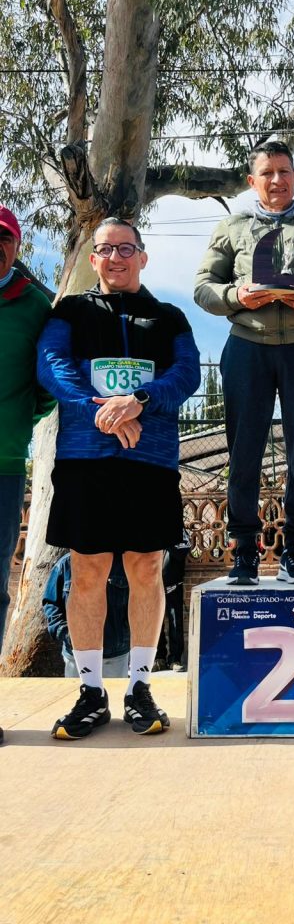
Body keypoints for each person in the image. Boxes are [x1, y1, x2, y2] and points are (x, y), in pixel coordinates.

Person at [37, 217, 200, 740]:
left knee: (147, 566)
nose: (116, 257)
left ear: (143, 257)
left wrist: (140, 402)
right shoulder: (70, 311)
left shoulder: (169, 316)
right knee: (86, 569)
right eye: (106, 249)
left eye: (126, 248)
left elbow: (188, 372)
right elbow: (52, 364)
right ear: (94, 259)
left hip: (150, 461)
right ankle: (89, 691)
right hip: (85, 458)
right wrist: (99, 409)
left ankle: (139, 687)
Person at [195, 141, 294, 586]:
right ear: (253, 181)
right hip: (248, 347)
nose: (277, 180)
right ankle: (244, 553)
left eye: (284, 171)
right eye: (267, 173)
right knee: (243, 454)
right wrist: (235, 297)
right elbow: (204, 286)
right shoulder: (231, 228)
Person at [0, 205, 55, 745]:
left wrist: (19, 418)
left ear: (16, 245)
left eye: (4, 239)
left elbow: (49, 380)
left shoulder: (35, 304)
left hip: (4, 464)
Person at [43, 552, 130, 678]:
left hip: (115, 656)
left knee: (114, 696)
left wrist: (127, 634)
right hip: (76, 655)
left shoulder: (124, 563)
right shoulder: (66, 564)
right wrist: (65, 634)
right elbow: (51, 603)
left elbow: (138, 602)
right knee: (76, 695)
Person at [156, 532, 191, 671]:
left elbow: (183, 548)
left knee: (175, 621)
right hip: (152, 584)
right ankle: (159, 658)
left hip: (173, 583)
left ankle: (175, 658)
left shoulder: (177, 529)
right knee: (155, 622)